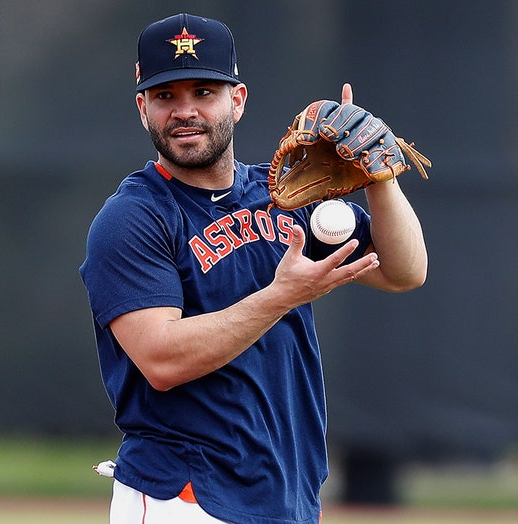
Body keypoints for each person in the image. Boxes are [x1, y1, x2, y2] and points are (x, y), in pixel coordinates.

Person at [79, 14, 427, 524]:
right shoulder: (134, 218)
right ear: (142, 108)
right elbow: (161, 359)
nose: (185, 111)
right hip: (187, 497)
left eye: (203, 91)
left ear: (237, 101)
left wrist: (379, 175)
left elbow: (404, 270)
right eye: (165, 96)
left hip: (285, 492)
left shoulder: (284, 193)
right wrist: (281, 296)